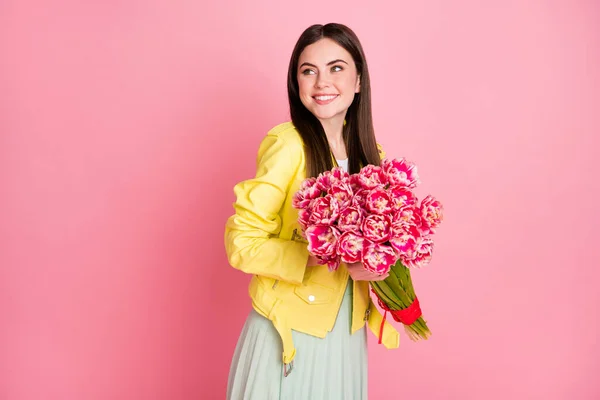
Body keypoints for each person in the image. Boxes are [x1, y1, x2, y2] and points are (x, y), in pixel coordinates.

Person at [224, 23, 400, 400]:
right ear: (297, 83)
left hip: (346, 336)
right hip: (288, 334)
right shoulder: (287, 145)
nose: (322, 82)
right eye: (309, 71)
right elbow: (242, 242)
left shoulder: (373, 156)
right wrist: (318, 253)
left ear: (358, 81)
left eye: (336, 68)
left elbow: (374, 249)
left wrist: (379, 263)